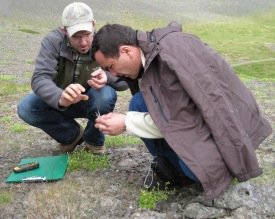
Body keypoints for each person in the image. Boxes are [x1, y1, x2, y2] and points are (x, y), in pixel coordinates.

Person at [90, 22, 272, 199]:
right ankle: (171, 162)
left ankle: (181, 170)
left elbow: (183, 122)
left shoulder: (169, 57)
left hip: (228, 138)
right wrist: (107, 78)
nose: (113, 74)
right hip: (212, 125)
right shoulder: (153, 50)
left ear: (126, 50)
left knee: (191, 168)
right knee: (138, 103)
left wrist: (126, 123)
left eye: (110, 67)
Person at [17, 2, 128, 155]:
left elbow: (125, 82)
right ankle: (72, 136)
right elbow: (40, 77)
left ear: (93, 25)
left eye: (87, 35)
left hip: (92, 99)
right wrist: (59, 96)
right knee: (26, 108)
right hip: (62, 100)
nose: (83, 42)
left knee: (106, 94)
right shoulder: (52, 42)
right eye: (76, 36)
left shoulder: (105, 42)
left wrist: (107, 77)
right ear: (64, 30)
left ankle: (94, 141)